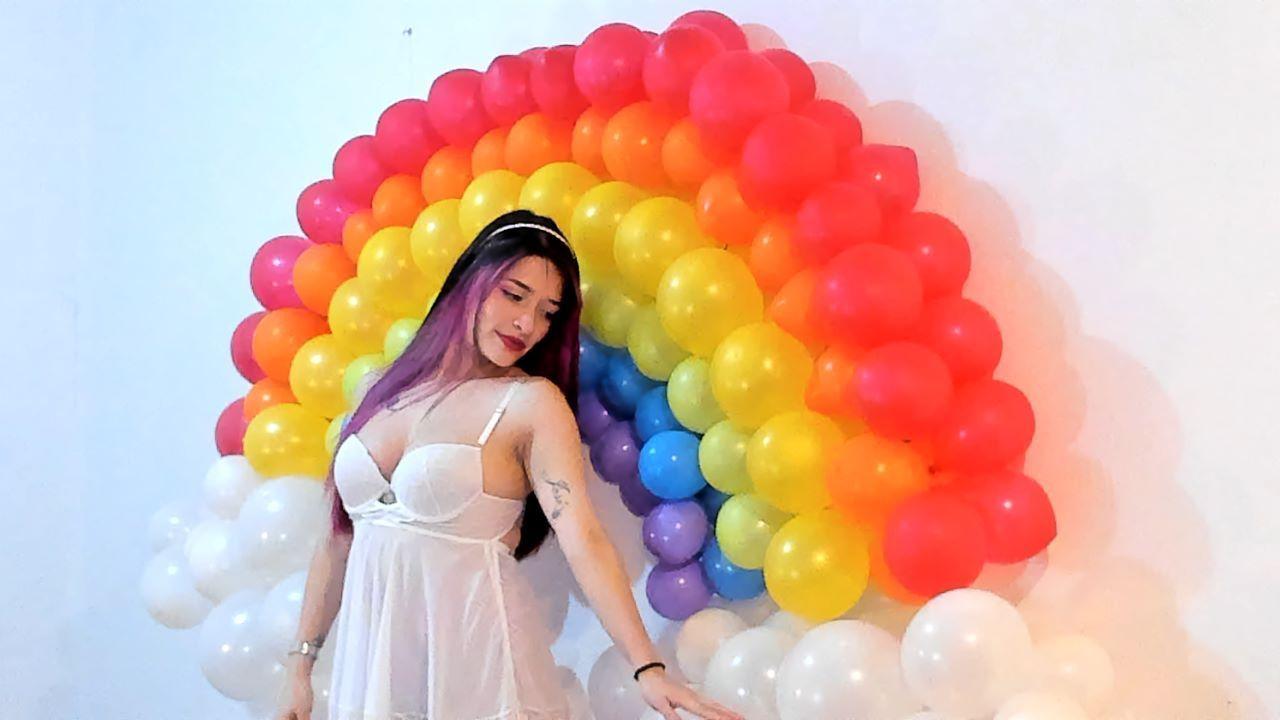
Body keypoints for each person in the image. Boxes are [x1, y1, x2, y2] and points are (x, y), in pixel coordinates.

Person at [277, 210, 743, 720]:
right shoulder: (381, 389)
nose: (527, 324)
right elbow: (338, 540)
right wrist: (301, 668)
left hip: (480, 675)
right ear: (471, 280)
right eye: (514, 295)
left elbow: (583, 537)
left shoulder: (530, 404)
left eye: (547, 313)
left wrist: (647, 667)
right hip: (374, 676)